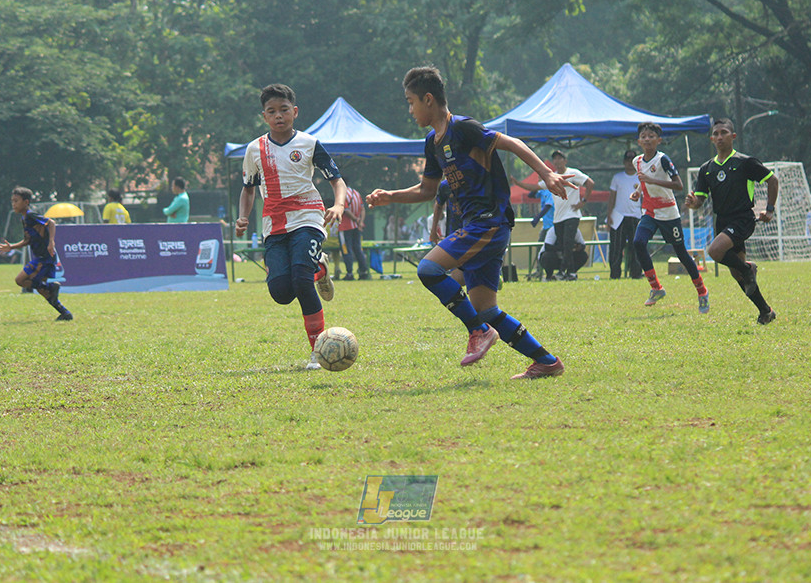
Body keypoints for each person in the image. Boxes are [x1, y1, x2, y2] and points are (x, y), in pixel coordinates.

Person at [366, 65, 574, 379]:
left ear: (429, 99)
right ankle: (546, 361)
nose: (410, 110)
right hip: (482, 227)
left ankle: (478, 331)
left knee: (428, 269)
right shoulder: (432, 143)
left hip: (488, 223)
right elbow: (427, 189)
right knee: (487, 309)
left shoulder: (463, 128)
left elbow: (511, 143)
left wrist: (546, 173)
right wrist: (391, 195)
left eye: (411, 102)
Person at [234, 83, 347, 370]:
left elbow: (336, 179)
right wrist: (243, 217)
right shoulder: (254, 149)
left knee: (299, 277)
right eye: (272, 111)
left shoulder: (309, 144)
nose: (279, 116)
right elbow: (248, 188)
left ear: (294, 112)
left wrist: (339, 205)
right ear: (264, 117)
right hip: (274, 224)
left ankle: (317, 353)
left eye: (284, 110)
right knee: (281, 292)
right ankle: (318, 268)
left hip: (308, 217)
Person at [685, 118, 778, 324]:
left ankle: (748, 268)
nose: (719, 137)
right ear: (711, 139)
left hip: (742, 218)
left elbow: (773, 180)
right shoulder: (706, 169)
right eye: (716, 134)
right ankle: (765, 311)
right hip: (723, 221)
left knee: (715, 251)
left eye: (724, 133)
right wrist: (693, 202)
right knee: (737, 275)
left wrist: (769, 210)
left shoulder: (745, 162)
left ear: (733, 136)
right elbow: (700, 199)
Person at [629, 123, 709, 313]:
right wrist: (639, 192)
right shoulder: (637, 161)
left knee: (681, 254)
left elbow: (678, 185)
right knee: (638, 243)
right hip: (649, 212)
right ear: (639, 141)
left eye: (651, 136)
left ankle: (702, 291)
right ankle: (656, 287)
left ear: (659, 140)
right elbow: (643, 180)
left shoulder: (663, 159)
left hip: (668, 213)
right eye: (644, 136)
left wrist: (651, 181)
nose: (647, 139)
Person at [513, 150, 594, 281]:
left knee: (568, 243)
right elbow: (534, 187)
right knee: (564, 245)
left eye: (560, 158)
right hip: (558, 217)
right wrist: (517, 183)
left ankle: (564, 271)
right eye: (555, 159)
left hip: (572, 214)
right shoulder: (552, 176)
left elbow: (590, 183)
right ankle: (570, 273)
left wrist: (583, 201)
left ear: (565, 160)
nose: (557, 161)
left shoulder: (572, 173)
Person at [0, 187, 73, 321]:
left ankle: (51, 287)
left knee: (20, 280)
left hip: (44, 258)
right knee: (43, 291)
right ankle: (64, 312)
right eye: (12, 201)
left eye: (16, 201)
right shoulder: (24, 219)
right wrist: (11, 246)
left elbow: (51, 223)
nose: (13, 204)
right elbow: (27, 240)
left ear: (26, 202)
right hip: (40, 257)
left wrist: (51, 242)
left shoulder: (31, 215)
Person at [606, 149, 643, 280]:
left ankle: (636, 273)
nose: (629, 163)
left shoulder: (641, 177)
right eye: (627, 160)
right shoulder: (617, 177)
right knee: (616, 247)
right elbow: (612, 197)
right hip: (619, 216)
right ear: (624, 162)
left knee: (636, 246)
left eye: (632, 161)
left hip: (635, 216)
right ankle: (615, 274)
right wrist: (609, 215)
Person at [338, 186, 370, 280]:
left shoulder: (342, 193)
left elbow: (346, 210)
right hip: (357, 227)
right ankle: (363, 272)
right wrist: (360, 222)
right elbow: (363, 209)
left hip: (345, 226)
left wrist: (355, 220)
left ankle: (349, 273)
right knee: (358, 249)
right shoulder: (356, 193)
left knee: (346, 250)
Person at [430, 178, 463, 244]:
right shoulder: (446, 185)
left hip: (472, 229)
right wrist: (433, 231)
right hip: (453, 232)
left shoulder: (473, 181)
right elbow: (438, 206)